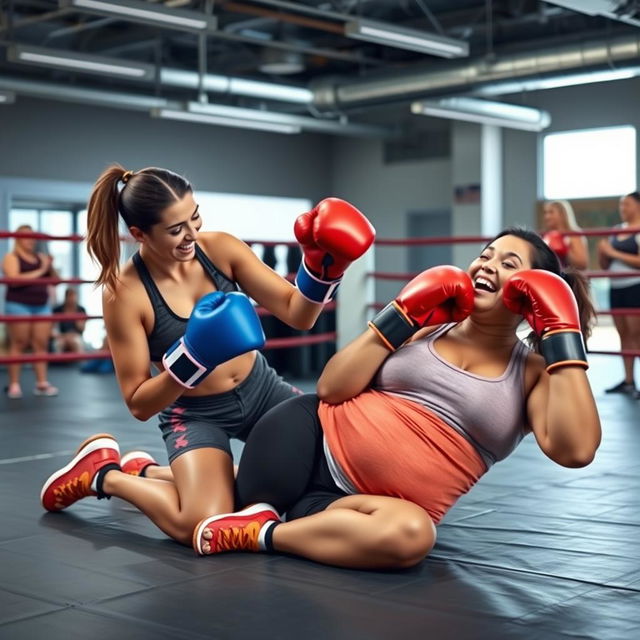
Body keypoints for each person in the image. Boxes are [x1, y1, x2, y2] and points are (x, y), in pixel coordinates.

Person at [184, 227, 601, 570]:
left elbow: (577, 451)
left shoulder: (533, 372)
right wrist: (400, 315)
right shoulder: (427, 327)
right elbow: (331, 388)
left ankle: (260, 533)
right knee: (210, 507)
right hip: (307, 439)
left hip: (354, 509)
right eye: (486, 255)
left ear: (531, 293)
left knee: (413, 536)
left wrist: (562, 334)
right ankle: (132, 478)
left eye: (509, 264)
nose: (488, 265)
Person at [39, 165, 375, 548]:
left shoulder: (220, 249)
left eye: (194, 216)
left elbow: (297, 313)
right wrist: (193, 358)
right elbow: (138, 403)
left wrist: (320, 270)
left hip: (263, 391)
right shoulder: (125, 293)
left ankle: (149, 471)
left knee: (339, 457)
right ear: (139, 234)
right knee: (205, 521)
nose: (191, 234)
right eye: (175, 229)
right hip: (195, 414)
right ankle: (107, 475)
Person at [2, 224, 59, 398]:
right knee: (19, 342)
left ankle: (41, 384)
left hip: (41, 304)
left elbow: (55, 281)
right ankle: (14, 385)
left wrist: (49, 265)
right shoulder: (11, 257)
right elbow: (14, 280)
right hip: (18, 304)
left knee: (41, 344)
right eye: (27, 236)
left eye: (33, 236)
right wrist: (41, 270)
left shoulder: (40, 257)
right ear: (18, 238)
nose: (31, 240)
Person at [597, 191, 640, 396]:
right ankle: (629, 381)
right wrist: (602, 253)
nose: (623, 208)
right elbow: (605, 266)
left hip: (635, 286)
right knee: (623, 335)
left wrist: (612, 252)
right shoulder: (616, 230)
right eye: (621, 205)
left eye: (627, 205)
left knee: (636, 335)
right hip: (616, 287)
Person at [541, 200, 588, 270]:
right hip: (550, 276)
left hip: (570, 278)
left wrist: (565, 251)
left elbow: (582, 264)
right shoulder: (545, 236)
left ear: (562, 214)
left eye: (551, 212)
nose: (547, 216)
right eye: (545, 213)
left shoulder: (573, 234)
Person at [52, 287, 86, 354]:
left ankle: (81, 364)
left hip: (75, 336)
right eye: (70, 296)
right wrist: (64, 336)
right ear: (66, 297)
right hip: (61, 337)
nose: (72, 299)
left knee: (77, 343)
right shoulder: (57, 310)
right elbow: (53, 330)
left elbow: (82, 328)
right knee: (58, 345)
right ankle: (58, 363)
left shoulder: (81, 310)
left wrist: (76, 316)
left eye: (73, 296)